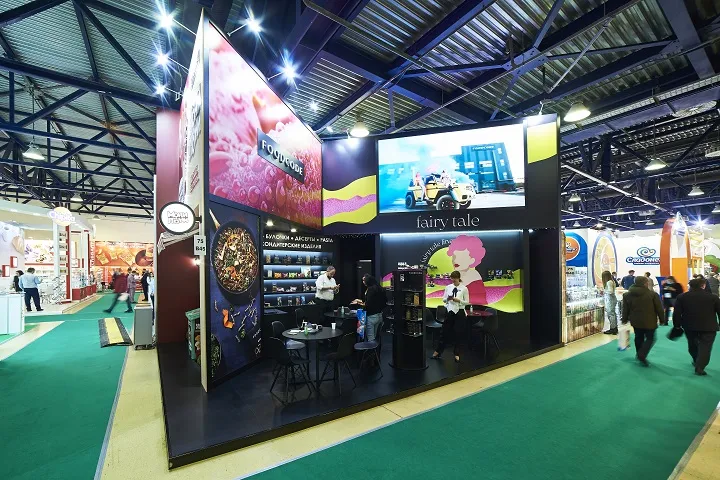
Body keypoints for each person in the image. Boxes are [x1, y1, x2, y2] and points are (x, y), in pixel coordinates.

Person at [673, 278, 720, 376]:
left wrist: (677, 325)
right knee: (706, 347)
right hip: (709, 326)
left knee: (692, 345)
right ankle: (700, 367)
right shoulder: (713, 297)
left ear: (690, 286)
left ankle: (696, 359)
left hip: (689, 326)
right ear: (703, 286)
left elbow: (677, 313)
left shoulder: (682, 297)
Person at [621, 275, 664, 366]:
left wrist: (624, 319)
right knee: (650, 338)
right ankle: (642, 355)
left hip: (635, 321)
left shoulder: (627, 295)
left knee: (638, 337)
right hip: (650, 321)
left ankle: (639, 354)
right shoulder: (652, 295)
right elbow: (659, 309)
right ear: (645, 283)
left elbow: (625, 309)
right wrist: (662, 320)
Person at [432, 270, 469, 363]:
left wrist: (458, 300)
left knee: (458, 333)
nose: (453, 280)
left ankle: (457, 353)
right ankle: (438, 351)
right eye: (452, 278)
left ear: (458, 278)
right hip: (450, 312)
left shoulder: (464, 289)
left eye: (455, 278)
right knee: (444, 332)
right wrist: (448, 299)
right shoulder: (448, 287)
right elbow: (444, 299)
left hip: (460, 312)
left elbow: (467, 302)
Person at [351, 274, 386, 342]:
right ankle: (376, 349)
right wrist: (360, 301)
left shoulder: (371, 290)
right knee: (376, 337)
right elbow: (373, 302)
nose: (363, 282)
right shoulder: (379, 288)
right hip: (379, 316)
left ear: (368, 281)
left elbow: (368, 304)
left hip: (371, 317)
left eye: (364, 280)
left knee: (371, 339)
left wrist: (358, 303)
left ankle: (371, 349)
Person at [601, 271, 618, 335]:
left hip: (610, 299)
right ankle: (614, 328)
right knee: (612, 314)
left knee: (611, 314)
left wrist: (603, 291)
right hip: (611, 299)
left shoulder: (609, 282)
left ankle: (613, 328)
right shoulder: (612, 281)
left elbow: (610, 291)